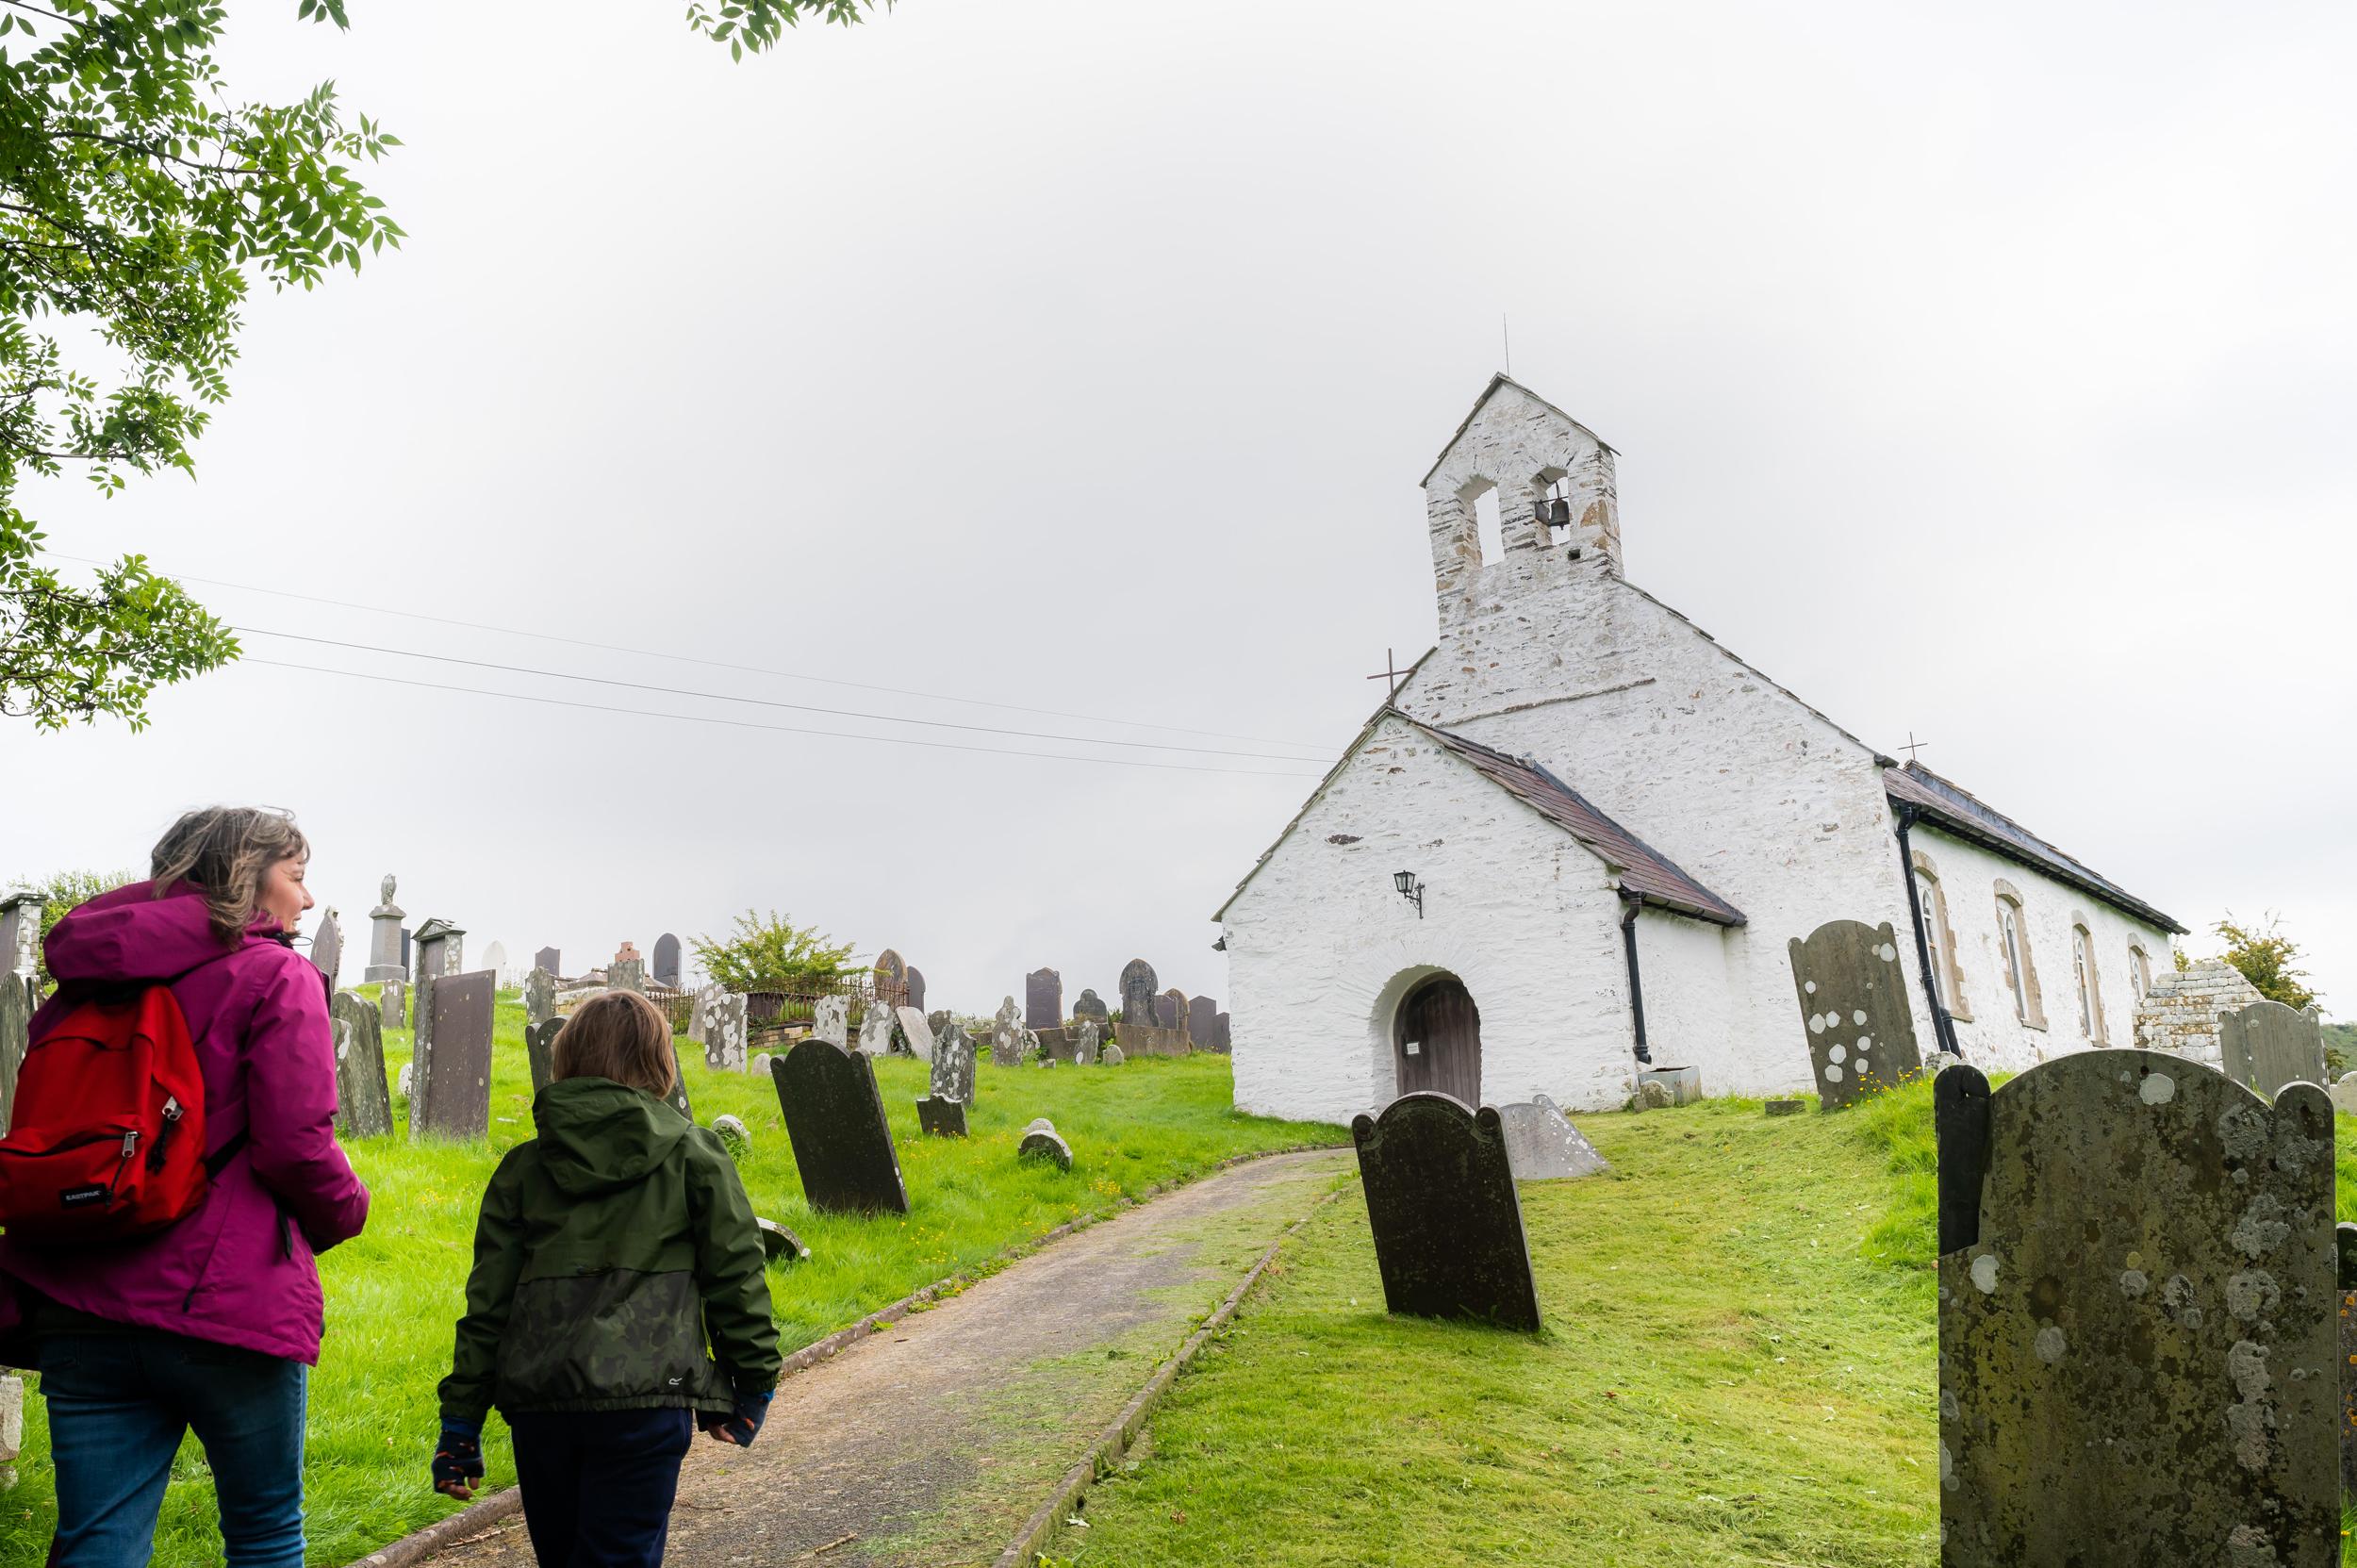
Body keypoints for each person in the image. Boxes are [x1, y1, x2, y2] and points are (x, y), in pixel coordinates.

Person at [0, 806, 371, 1568]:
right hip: (226, 1306)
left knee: (96, 1541)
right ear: (244, 876)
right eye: (295, 877)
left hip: (79, 1301)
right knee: (265, 1534)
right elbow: (296, 1145)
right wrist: (349, 1211)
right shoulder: (277, 975)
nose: (305, 900)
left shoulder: (79, 987)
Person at [434, 989, 779, 1568]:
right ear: (659, 1063)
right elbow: (736, 1278)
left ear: (566, 1059)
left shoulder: (523, 1167)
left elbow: (488, 1305)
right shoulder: (696, 1155)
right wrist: (751, 1386)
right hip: (647, 1403)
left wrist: (461, 1422)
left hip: (543, 1407)